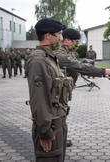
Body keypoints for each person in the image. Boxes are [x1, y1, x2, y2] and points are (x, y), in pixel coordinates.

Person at [54, 28, 110, 147]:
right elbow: (81, 67)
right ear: (67, 41)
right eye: (76, 41)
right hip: (56, 93)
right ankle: (55, 141)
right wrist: (107, 71)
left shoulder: (69, 53)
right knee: (57, 117)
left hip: (63, 92)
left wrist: (103, 74)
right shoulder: (61, 55)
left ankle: (60, 139)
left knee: (62, 115)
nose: (78, 44)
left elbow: (80, 66)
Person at [25, 17, 68, 162]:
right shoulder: (39, 61)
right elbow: (39, 99)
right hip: (49, 127)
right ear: (48, 36)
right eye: (59, 34)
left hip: (58, 124)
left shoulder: (50, 58)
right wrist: (44, 131)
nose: (61, 38)